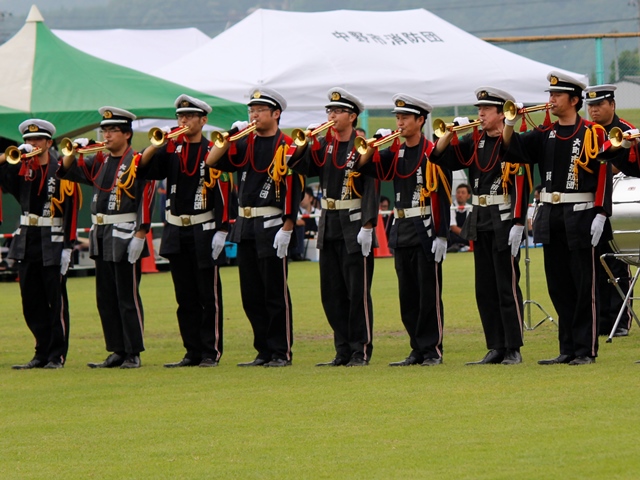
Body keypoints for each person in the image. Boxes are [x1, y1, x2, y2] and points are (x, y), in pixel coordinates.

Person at [503, 71, 609, 365]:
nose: (550, 100)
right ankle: (567, 348)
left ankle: (585, 349)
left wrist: (601, 212)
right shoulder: (544, 134)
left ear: (574, 100)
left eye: (556, 95)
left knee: (582, 284)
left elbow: (602, 175)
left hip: (581, 214)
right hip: (550, 214)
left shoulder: (592, 133)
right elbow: (512, 150)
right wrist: (510, 121)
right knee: (558, 285)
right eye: (550, 95)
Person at [432, 87, 528, 365]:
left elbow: (524, 182)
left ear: (502, 113)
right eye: (479, 109)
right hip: (481, 216)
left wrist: (519, 221)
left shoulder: (512, 142)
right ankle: (495, 345)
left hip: (504, 216)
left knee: (506, 285)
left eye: (486, 109)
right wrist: (449, 134)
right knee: (484, 287)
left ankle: (513, 347)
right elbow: (438, 158)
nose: (481, 114)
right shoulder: (474, 141)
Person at [205, 88, 301, 367]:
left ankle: (281, 351)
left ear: (276, 113)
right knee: (251, 294)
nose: (254, 115)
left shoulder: (286, 144)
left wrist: (288, 225)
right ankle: (263, 350)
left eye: (260, 110)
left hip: (272, 223)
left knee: (275, 292)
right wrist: (231, 137)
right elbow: (211, 161)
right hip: (246, 224)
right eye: (251, 110)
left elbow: (295, 187)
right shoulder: (244, 143)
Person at [138, 95, 231, 367]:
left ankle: (210, 352)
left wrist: (222, 228)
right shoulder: (170, 149)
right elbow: (145, 171)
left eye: (190, 116)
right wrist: (158, 146)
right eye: (180, 116)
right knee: (185, 297)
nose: (184, 121)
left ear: (203, 120)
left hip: (204, 228)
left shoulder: (214, 148)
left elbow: (225, 191)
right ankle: (191, 351)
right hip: (176, 230)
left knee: (207, 295)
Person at [59, 107, 155, 369]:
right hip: (101, 234)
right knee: (106, 297)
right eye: (104, 130)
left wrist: (141, 233)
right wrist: (72, 152)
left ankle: (133, 351)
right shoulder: (100, 160)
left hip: (125, 233)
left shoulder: (137, 160)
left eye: (113, 130)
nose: (107, 134)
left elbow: (146, 196)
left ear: (126, 134)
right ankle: (116, 349)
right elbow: (67, 171)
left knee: (127, 296)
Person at [357, 94, 450, 366]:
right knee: (407, 295)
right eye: (397, 118)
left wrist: (442, 233)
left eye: (405, 118)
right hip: (401, 228)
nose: (400, 123)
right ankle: (416, 348)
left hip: (424, 228)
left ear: (420, 120)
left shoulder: (432, 151)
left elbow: (442, 194)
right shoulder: (395, 151)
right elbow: (363, 166)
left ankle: (432, 349)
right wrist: (375, 144)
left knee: (427, 294)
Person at [289, 87, 378, 367]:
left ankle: (359, 350)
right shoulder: (325, 145)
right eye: (329, 110)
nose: (332, 115)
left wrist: (368, 225)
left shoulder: (362, 146)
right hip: (329, 225)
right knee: (332, 293)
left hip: (353, 225)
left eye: (338, 111)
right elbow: (296, 165)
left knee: (357, 292)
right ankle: (342, 350)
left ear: (352, 117)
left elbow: (372, 187)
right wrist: (306, 141)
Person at [0, 119, 78, 369]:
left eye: (36, 140)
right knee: (30, 300)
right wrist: (10, 157)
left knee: (55, 300)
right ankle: (40, 351)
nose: (31, 144)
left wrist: (69, 245)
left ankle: (57, 355)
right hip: (27, 238)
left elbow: (73, 208)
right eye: (27, 140)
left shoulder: (61, 167)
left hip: (54, 238)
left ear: (48, 143)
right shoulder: (21, 167)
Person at [583, 85, 634, 337]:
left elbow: (623, 168)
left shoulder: (625, 130)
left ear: (612, 105)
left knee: (616, 260)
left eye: (599, 105)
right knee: (593, 262)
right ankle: (600, 319)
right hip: (590, 202)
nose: (593, 110)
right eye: (590, 105)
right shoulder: (585, 130)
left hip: (617, 202)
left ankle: (621, 319)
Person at [291, 186, 318, 261]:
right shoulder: (297, 211)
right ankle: (296, 254)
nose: (301, 199)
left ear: (311, 198)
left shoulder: (318, 212)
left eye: (304, 196)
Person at [448, 183, 472, 252]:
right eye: (458, 192)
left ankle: (461, 246)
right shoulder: (451, 207)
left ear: (468, 196)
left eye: (463, 193)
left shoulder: (470, 208)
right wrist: (466, 235)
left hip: (466, 235)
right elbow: (453, 227)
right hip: (455, 235)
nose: (460, 195)